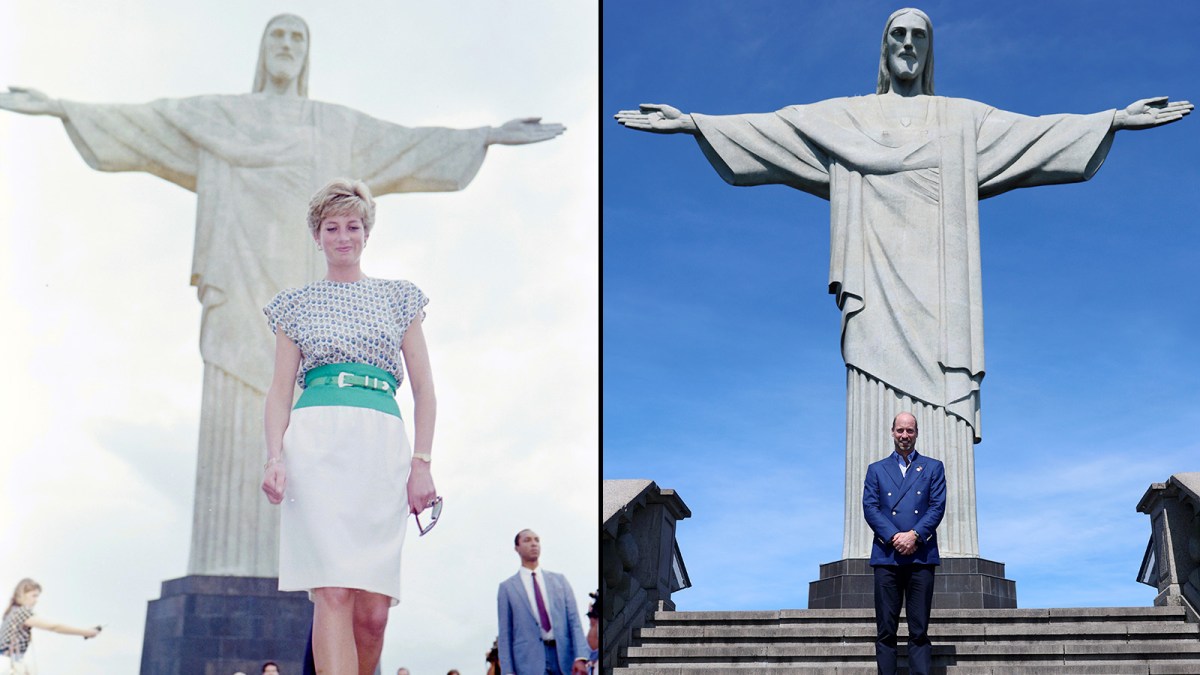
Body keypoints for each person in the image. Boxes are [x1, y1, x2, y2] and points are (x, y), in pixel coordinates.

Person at [615, 7, 1191, 562]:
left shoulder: (961, 120)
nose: (909, 44)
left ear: (929, 49)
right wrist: (696, 123)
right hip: (875, 283)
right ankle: (872, 545)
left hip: (943, 292)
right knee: (871, 397)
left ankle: (950, 545)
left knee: (945, 406)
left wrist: (1111, 119)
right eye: (898, 35)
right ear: (885, 50)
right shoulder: (849, 119)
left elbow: (1034, 136)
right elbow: (779, 129)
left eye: (919, 35)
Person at [0, 13, 563, 578]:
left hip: (313, 302)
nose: (287, 46)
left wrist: (486, 136)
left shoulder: (333, 127)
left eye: (298, 37)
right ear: (263, 49)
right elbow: (147, 123)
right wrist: (60, 107)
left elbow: (409, 146)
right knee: (249, 400)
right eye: (278, 36)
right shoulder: (222, 117)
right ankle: (224, 562)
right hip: (239, 286)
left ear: (307, 53)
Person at [261, 178, 438, 674]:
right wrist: (275, 457)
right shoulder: (293, 305)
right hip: (315, 442)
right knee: (332, 589)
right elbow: (279, 392)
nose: (343, 236)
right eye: (332, 227)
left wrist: (422, 464)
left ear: (367, 232)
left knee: (374, 614)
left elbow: (425, 389)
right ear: (317, 236)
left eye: (353, 226)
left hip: (382, 443)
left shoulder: (400, 297)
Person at [862, 412, 946, 675]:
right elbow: (870, 507)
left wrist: (914, 535)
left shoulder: (933, 467)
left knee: (919, 629)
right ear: (892, 432)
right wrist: (895, 536)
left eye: (910, 431)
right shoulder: (876, 469)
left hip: (921, 556)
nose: (905, 436)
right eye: (900, 430)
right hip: (887, 556)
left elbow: (937, 506)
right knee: (886, 630)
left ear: (917, 433)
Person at [496, 530, 587, 675]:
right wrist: (508, 671)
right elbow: (505, 634)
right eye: (527, 540)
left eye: (537, 540)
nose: (533, 544)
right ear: (517, 548)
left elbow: (574, 621)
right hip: (527, 663)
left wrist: (581, 657)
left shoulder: (560, 582)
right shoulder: (507, 588)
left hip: (564, 658)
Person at [0, 579, 101, 674]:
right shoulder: (22, 612)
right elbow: (54, 627)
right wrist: (86, 632)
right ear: (22, 595)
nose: (36, 600)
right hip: (9, 662)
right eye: (33, 596)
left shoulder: (11, 612)